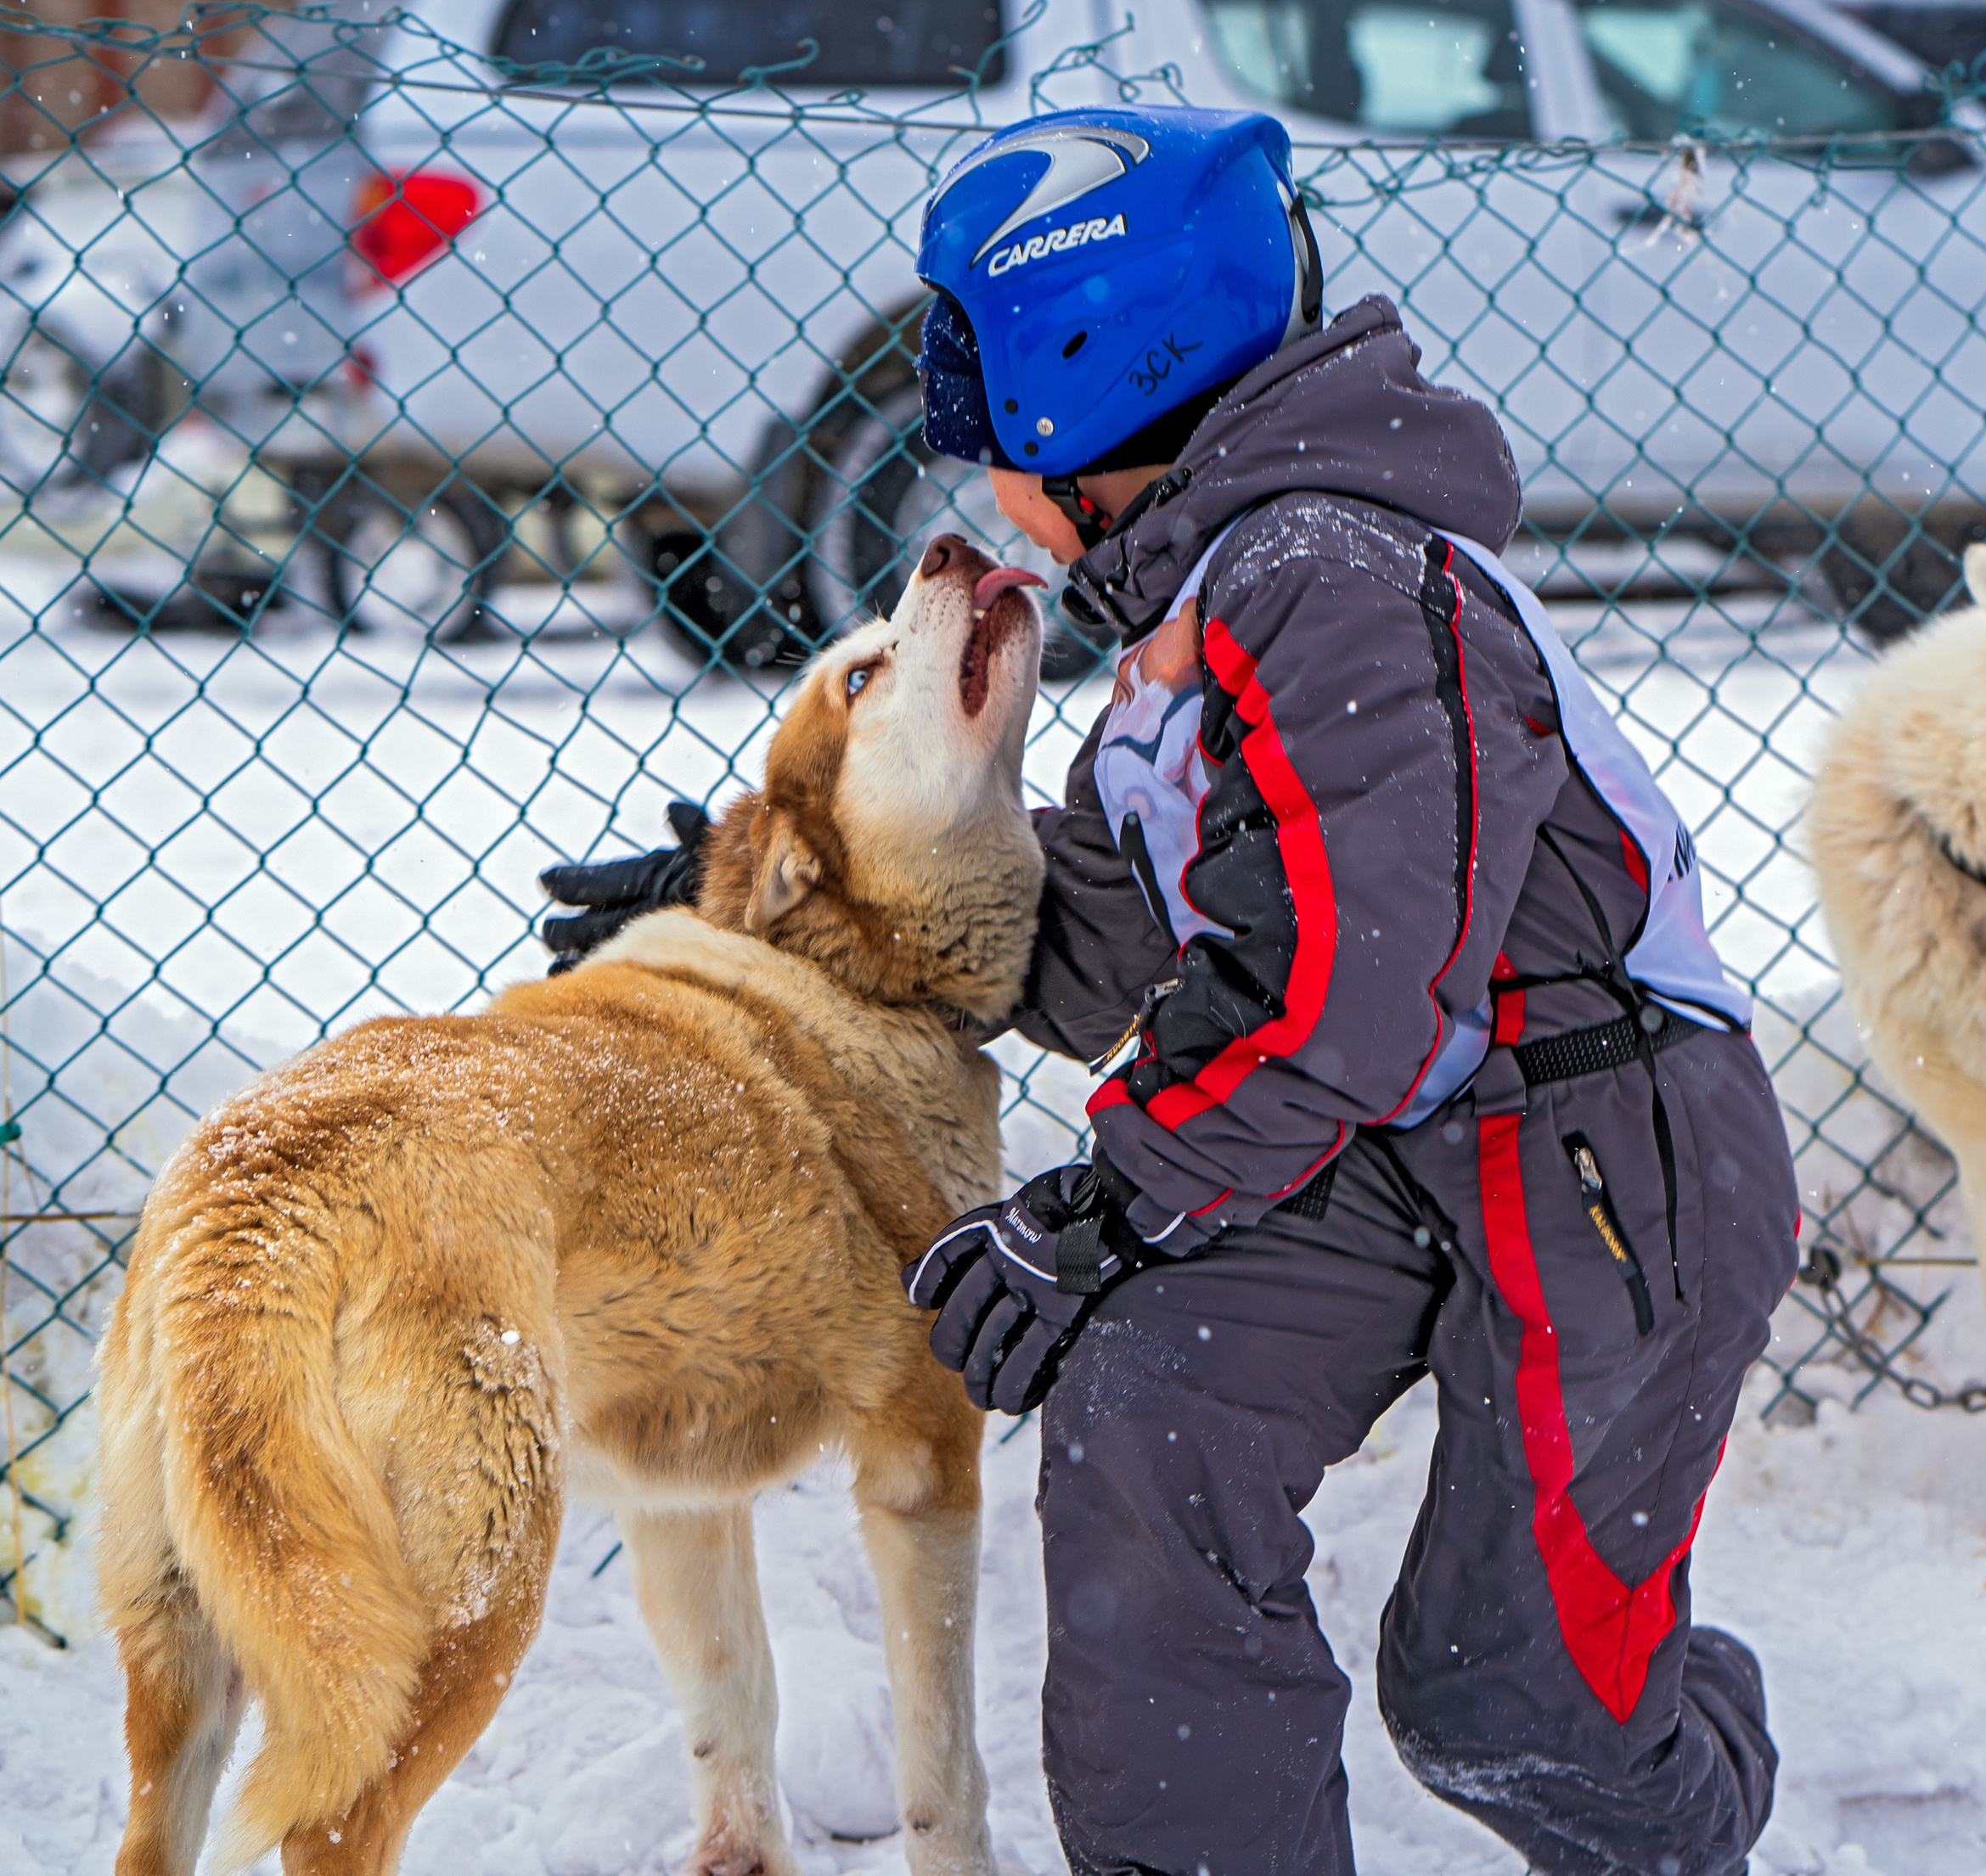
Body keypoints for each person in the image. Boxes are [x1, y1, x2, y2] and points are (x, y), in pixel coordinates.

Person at [541, 106, 1801, 1876]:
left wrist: (1106, 1207)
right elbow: (1076, 947)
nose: (957, 443)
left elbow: (1346, 993)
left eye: (968, 386)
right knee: (1147, 1404)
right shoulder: (1193, 609)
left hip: (1605, 1151)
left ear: (1081, 374)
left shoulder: (1337, 585)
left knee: (1499, 1699)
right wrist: (758, 893)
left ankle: (1684, 1805)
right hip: (1380, 1138)